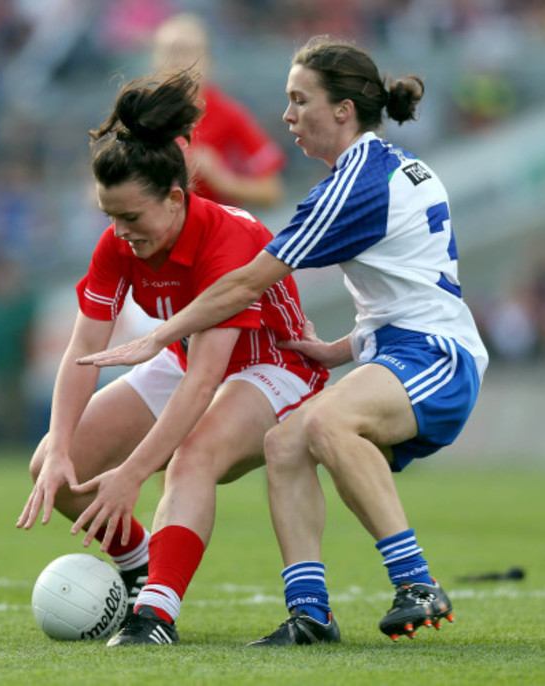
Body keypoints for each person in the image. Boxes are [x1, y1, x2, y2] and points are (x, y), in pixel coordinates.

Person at [78, 35, 489, 645]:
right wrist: (344, 347)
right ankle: (311, 612)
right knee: (286, 442)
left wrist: (156, 337)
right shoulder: (386, 167)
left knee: (323, 425)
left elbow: (247, 283)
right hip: (402, 349)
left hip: (437, 358)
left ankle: (415, 581)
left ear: (343, 110)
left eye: (300, 100)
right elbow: (415, 283)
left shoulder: (356, 184)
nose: (288, 116)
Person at [16, 69, 328, 647]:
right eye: (110, 216)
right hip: (189, 362)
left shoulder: (227, 240)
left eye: (132, 216)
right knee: (50, 471)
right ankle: (139, 571)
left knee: (190, 457)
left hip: (276, 367)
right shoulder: (118, 243)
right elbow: (85, 348)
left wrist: (133, 474)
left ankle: (155, 616)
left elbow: (208, 377)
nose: (120, 231)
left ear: (177, 198)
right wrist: (60, 446)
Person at [152, 12, 286, 208]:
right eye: (169, 52)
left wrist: (222, 180)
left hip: (212, 232)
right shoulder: (138, 114)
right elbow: (99, 190)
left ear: (208, 59)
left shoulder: (230, 114)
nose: (178, 61)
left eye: (187, 51)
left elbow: (272, 191)